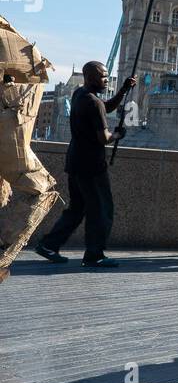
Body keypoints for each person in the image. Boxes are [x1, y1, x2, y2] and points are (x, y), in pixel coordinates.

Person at [36, 61, 135, 269]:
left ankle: (48, 245)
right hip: (92, 165)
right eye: (103, 76)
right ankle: (94, 254)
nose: (107, 80)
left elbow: (105, 107)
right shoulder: (93, 102)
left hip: (75, 161)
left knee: (77, 208)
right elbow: (103, 137)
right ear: (90, 77)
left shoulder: (80, 95)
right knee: (101, 210)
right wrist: (118, 134)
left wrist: (124, 90)